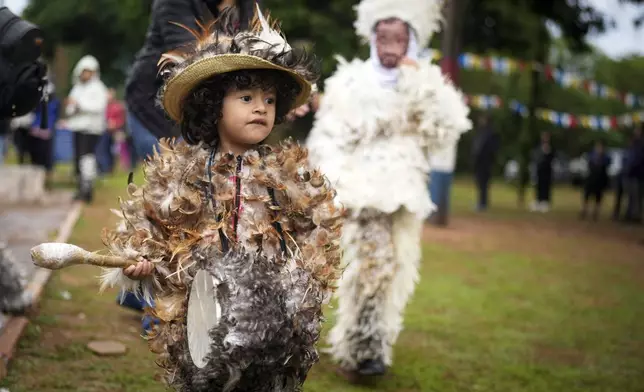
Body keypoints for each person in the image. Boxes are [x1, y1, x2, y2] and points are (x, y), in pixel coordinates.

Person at [98, 6, 342, 390]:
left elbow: (317, 237)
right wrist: (136, 261)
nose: (261, 107)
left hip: (272, 331)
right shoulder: (180, 172)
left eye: (269, 99)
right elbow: (148, 227)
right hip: (198, 328)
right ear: (213, 105)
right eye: (246, 97)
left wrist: (300, 288)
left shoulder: (291, 177)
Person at [306, 0, 471, 379]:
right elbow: (328, 137)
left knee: (388, 268)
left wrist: (419, 81)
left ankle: (365, 348)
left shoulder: (425, 80)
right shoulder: (351, 81)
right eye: (383, 37)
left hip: (400, 194)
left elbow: (447, 128)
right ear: (371, 38)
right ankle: (359, 350)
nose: (390, 46)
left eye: (398, 38)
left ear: (410, 40)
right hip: (357, 194)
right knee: (367, 266)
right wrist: (334, 185)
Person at [124, 0, 258, 163]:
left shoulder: (248, 5)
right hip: (157, 106)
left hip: (209, 110)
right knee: (173, 177)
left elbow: (257, 52)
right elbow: (188, 52)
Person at [64, 55, 108, 202]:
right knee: (78, 158)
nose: (85, 74)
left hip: (91, 128)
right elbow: (70, 107)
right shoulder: (77, 88)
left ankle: (87, 188)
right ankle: (80, 187)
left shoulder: (98, 88)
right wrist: (73, 107)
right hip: (77, 127)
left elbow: (98, 106)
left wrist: (80, 105)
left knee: (86, 157)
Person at [29, 82, 60, 188]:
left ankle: (45, 183)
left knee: (46, 160)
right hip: (37, 132)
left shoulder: (54, 103)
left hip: (45, 133)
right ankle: (37, 182)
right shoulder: (39, 102)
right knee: (37, 159)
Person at [471, 113, 499, 211]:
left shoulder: (490, 133)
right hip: (479, 162)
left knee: (484, 183)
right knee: (480, 183)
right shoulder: (481, 132)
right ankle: (481, 202)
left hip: (486, 163)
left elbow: (492, 149)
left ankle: (483, 203)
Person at [580, 140, 611, 221]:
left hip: (600, 180)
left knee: (598, 197)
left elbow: (607, 165)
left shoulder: (606, 157)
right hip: (591, 178)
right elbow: (588, 164)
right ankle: (584, 210)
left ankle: (595, 212)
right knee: (587, 195)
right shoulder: (592, 155)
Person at [531, 131, 555, 213]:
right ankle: (538, 201)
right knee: (538, 186)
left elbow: (552, 158)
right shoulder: (538, 146)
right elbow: (535, 156)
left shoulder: (550, 147)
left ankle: (545, 202)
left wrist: (548, 152)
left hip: (547, 171)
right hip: (539, 170)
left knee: (546, 186)